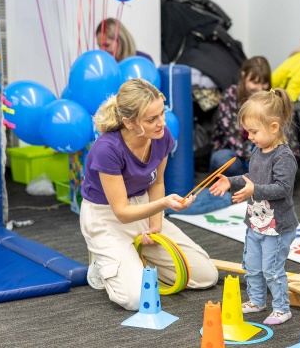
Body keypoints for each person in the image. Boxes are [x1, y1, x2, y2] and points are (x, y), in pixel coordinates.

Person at [80, 78, 218, 311]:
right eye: (152, 119)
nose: (161, 123)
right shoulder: (106, 149)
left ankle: (133, 256)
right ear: (129, 122)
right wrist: (164, 204)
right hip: (107, 218)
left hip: (144, 207)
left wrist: (155, 226)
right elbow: (122, 213)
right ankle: (103, 264)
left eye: (162, 114)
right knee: (135, 300)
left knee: (207, 277)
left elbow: (157, 182)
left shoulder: (161, 136)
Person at [210, 88, 298, 325]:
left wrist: (253, 190)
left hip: (277, 227)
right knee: (251, 266)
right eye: (248, 131)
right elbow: (252, 178)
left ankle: (281, 308)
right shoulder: (259, 151)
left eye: (253, 131)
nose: (249, 136)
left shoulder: (284, 156)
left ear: (274, 127)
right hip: (256, 223)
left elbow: (282, 188)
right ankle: (257, 301)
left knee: (271, 269)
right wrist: (231, 181)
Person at [210, 56, 271, 177]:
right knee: (221, 160)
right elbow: (234, 139)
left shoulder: (272, 99)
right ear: (244, 76)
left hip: (263, 152)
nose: (260, 89)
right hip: (236, 153)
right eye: (255, 82)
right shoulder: (230, 96)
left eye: (264, 83)